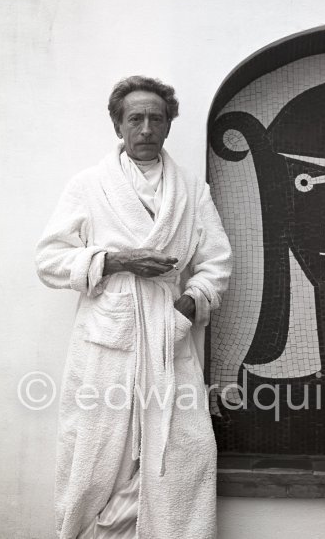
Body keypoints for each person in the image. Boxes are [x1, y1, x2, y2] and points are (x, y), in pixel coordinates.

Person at [36, 76, 232, 539]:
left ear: (168, 125)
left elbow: (216, 262)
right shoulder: (88, 186)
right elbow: (48, 261)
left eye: (156, 118)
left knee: (187, 450)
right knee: (98, 451)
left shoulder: (190, 189)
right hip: (107, 340)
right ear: (118, 125)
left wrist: (187, 306)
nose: (145, 127)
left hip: (168, 335)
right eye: (135, 118)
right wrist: (115, 260)